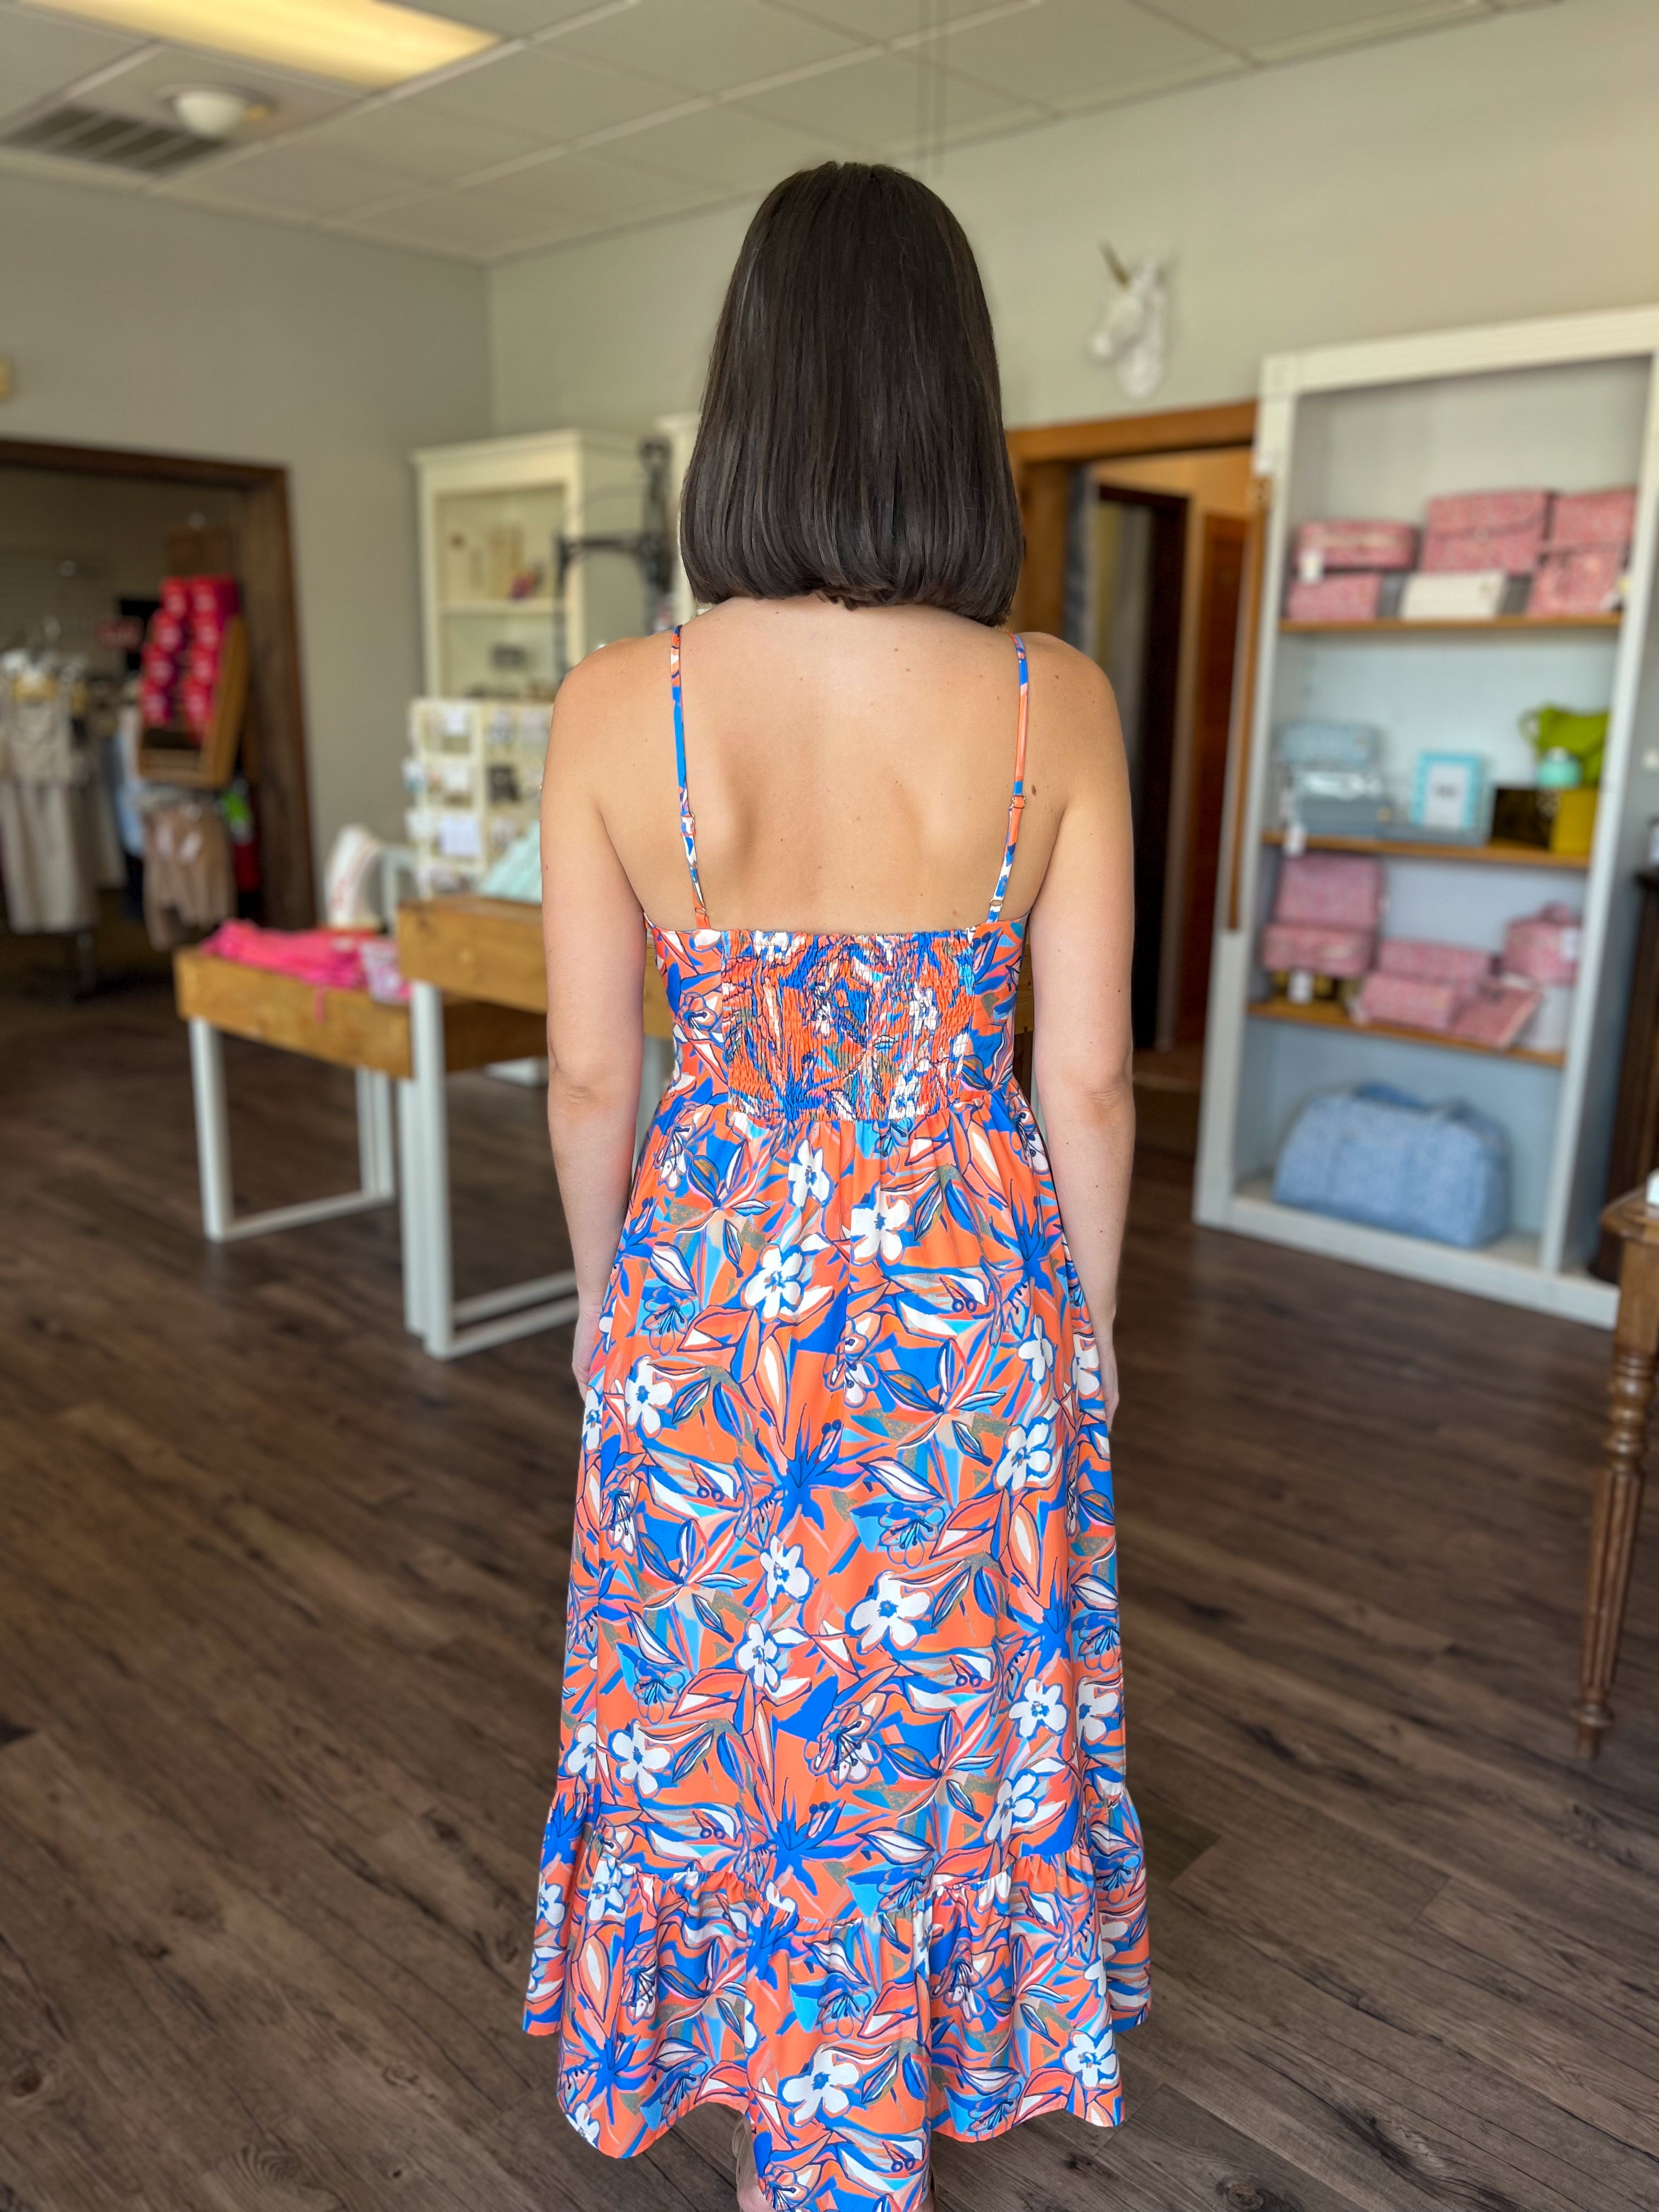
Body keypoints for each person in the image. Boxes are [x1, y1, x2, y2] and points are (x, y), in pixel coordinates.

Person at [523, 160, 1148, 2212]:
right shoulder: (1058, 703)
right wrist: (1096, 1326)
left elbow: (596, 1067)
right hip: (968, 1285)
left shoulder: (622, 707)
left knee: (717, 1689)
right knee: (937, 1700)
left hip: (710, 1268)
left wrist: (613, 1300)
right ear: (955, 403)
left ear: (750, 398)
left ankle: (745, 2056)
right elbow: (1089, 1080)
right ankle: (902, 2064)